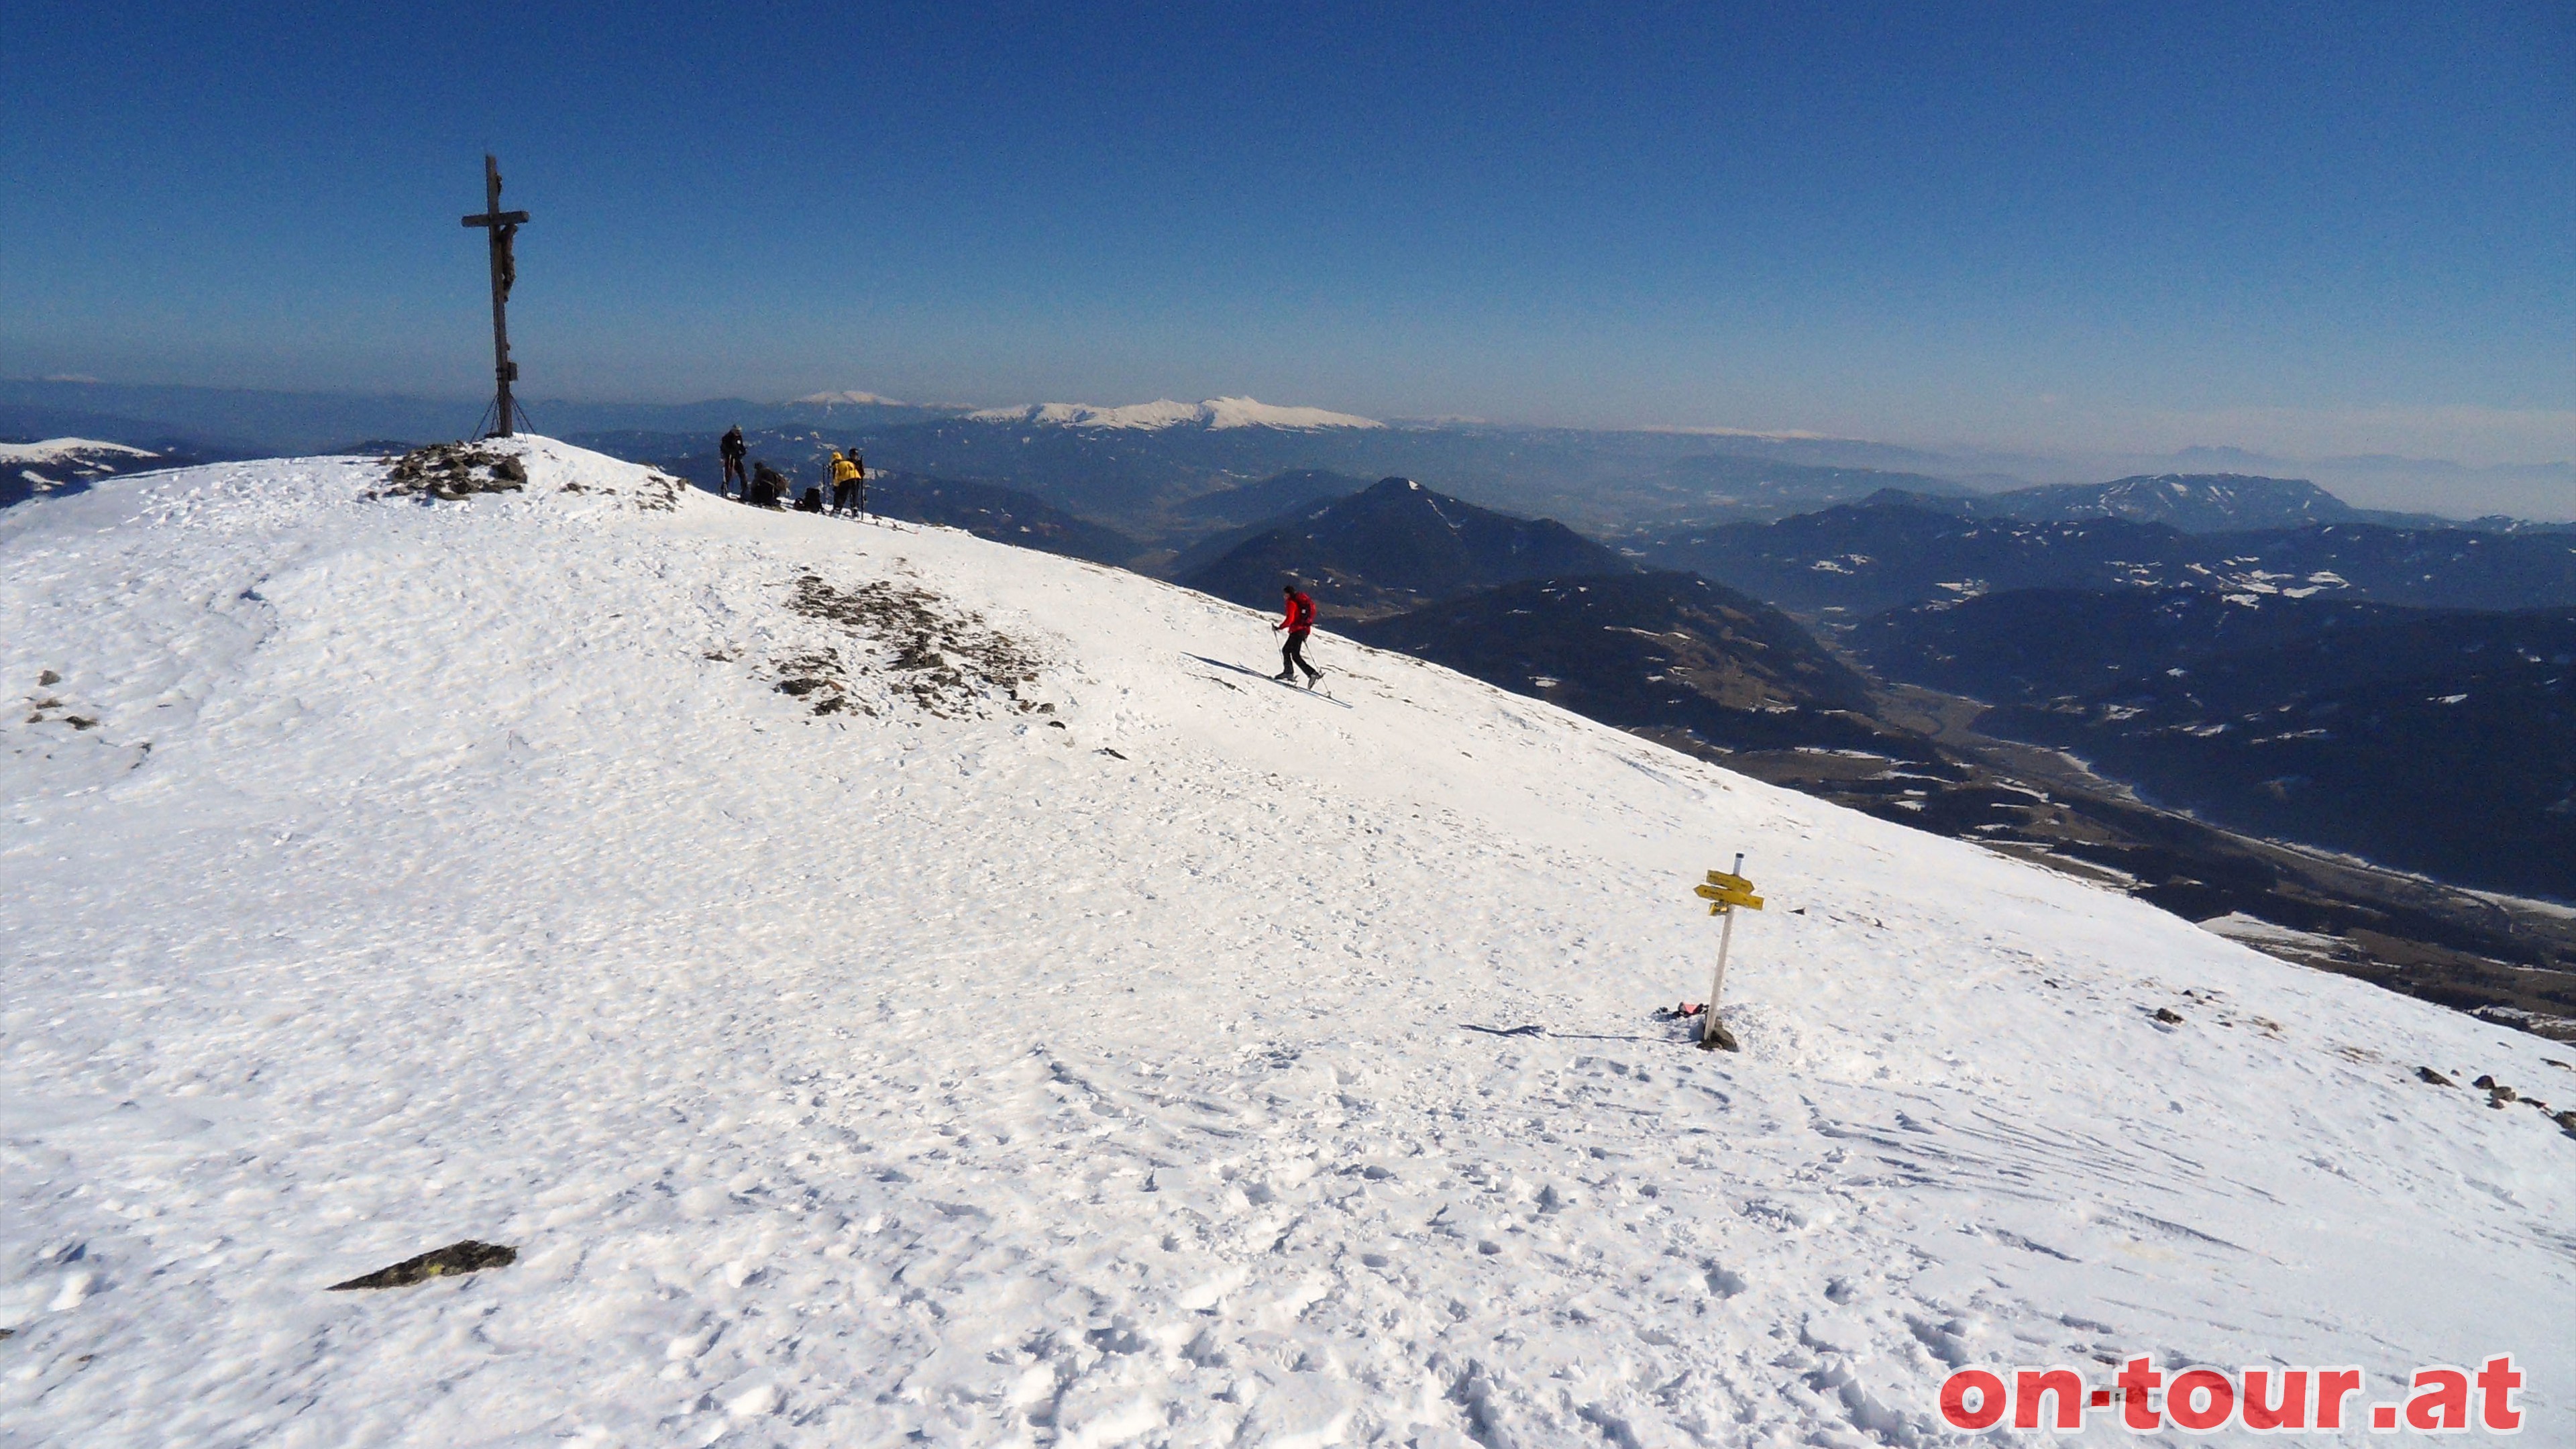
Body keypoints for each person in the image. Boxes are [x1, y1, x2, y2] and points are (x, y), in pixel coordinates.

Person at [1274, 583, 1322, 686]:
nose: (1284, 596)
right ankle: (1289, 672)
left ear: (1288, 594)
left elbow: (1290, 619)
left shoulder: (1291, 603)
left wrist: (1280, 627)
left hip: (1297, 631)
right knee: (1288, 651)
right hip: (1303, 630)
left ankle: (1310, 673)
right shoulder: (1299, 601)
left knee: (1294, 654)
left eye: (1285, 594)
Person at [829, 449, 861, 516]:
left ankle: (837, 510)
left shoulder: (837, 464)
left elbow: (837, 476)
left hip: (846, 479)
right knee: (854, 495)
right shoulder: (847, 462)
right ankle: (855, 511)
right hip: (856, 478)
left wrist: (836, 486)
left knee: (840, 495)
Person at [719, 425, 748, 497]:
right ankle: (724, 490)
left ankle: (745, 491)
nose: (738, 433)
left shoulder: (739, 438)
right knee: (728, 475)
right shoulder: (727, 438)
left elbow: (741, 446)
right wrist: (728, 453)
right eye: (737, 431)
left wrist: (743, 451)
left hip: (737, 458)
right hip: (729, 458)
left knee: (742, 474)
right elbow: (723, 448)